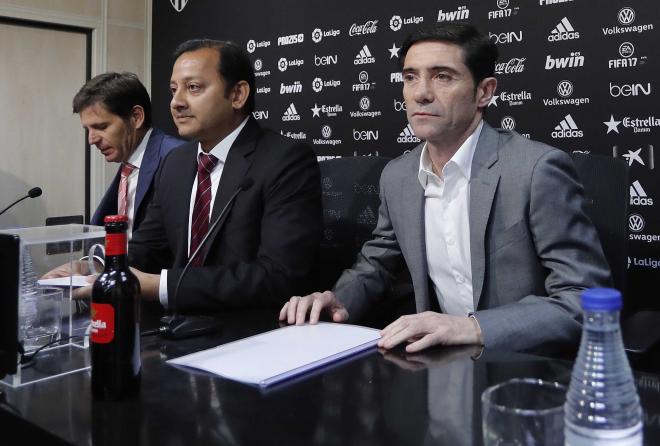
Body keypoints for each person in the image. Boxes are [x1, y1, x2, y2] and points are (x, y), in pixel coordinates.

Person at [280, 22, 611, 353]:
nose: (421, 92)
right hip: (439, 368)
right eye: (410, 77)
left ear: (484, 92)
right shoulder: (397, 176)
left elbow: (583, 299)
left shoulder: (536, 170)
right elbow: (377, 263)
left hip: (525, 367)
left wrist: (471, 327)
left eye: (442, 76)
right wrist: (337, 300)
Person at [127, 39, 321, 311]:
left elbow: (278, 277)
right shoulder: (175, 163)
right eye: (173, 90)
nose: (176, 102)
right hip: (174, 328)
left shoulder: (285, 160)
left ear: (237, 95)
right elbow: (147, 248)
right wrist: (96, 266)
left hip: (249, 332)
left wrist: (158, 287)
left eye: (193, 88)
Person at [73, 72, 184, 235]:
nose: (91, 140)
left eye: (102, 127)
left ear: (136, 117)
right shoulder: (129, 165)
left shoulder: (177, 158)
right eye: (87, 130)